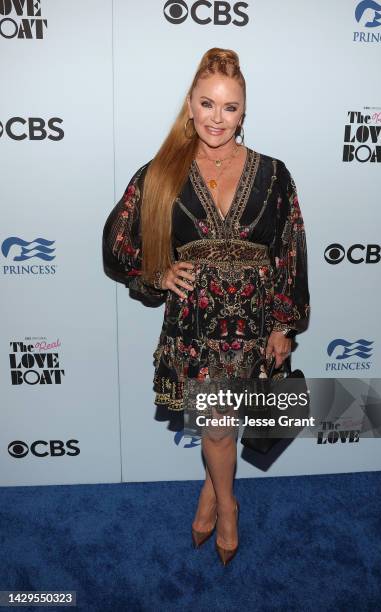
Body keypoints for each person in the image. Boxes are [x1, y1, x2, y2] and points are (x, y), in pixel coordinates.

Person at [102, 47, 310, 566]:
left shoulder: (274, 173)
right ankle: (230, 505)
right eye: (208, 104)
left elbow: (291, 247)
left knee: (231, 421)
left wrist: (284, 323)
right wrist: (156, 272)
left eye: (230, 107)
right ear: (190, 107)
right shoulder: (161, 173)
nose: (218, 118)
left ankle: (210, 492)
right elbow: (116, 243)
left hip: (257, 321)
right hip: (195, 324)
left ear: (244, 112)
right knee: (218, 425)